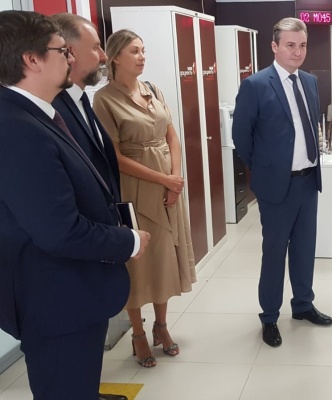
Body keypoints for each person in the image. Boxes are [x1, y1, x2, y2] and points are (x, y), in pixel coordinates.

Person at [0, 10, 150, 400]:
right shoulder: (16, 127)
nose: (70, 58)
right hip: (55, 301)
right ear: (31, 60)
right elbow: (58, 230)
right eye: (61, 50)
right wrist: (128, 241)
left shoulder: (38, 114)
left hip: (72, 293)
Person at [93, 29, 197, 367]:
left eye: (143, 50)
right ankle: (138, 332)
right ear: (115, 57)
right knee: (139, 262)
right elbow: (115, 157)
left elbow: (172, 137)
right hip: (136, 188)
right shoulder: (104, 100)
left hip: (168, 186)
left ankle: (161, 326)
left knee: (164, 257)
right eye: (134, 51)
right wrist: (164, 179)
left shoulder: (153, 89)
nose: (142, 57)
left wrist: (175, 180)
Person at [232, 17, 332, 348]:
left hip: (308, 181)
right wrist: (265, 170)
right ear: (274, 46)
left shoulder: (309, 81)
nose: (297, 51)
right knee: (274, 253)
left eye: (302, 45)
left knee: (305, 250)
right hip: (277, 186)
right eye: (290, 45)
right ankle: (269, 316)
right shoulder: (256, 85)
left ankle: (303, 305)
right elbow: (241, 137)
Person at [50, 12, 129, 400]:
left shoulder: (82, 100)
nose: (102, 55)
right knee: (67, 360)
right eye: (96, 47)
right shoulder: (50, 109)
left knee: (88, 346)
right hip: (73, 253)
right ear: (67, 52)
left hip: (96, 246)